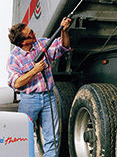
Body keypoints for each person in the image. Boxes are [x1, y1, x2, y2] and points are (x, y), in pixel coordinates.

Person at [6, 17, 71, 157]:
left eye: (32, 31)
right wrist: (34, 71)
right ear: (23, 42)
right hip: (30, 99)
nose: (34, 34)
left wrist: (64, 30)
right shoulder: (14, 58)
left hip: (49, 96)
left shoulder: (41, 44)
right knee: (22, 136)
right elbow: (16, 83)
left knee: (52, 137)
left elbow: (63, 47)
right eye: (31, 34)